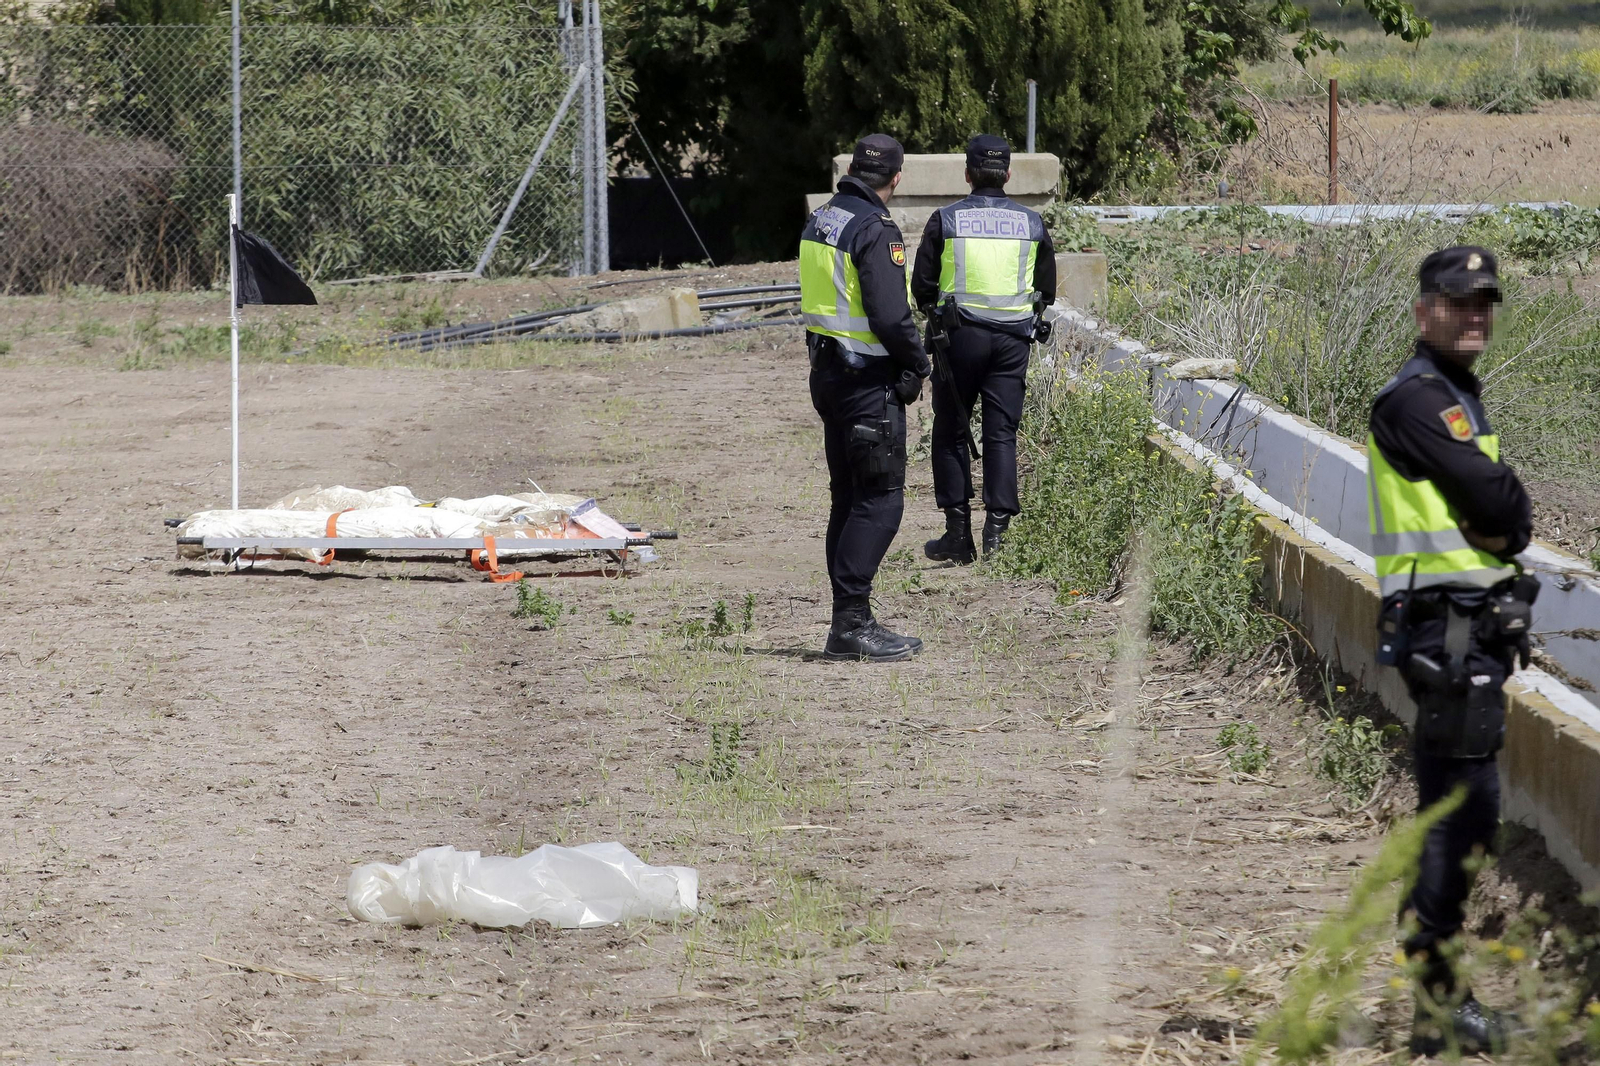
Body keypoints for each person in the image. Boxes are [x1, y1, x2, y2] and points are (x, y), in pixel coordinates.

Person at [1366, 246, 1538, 1056]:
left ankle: (1439, 991)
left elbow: (1496, 506)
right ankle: (1438, 1002)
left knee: (1465, 812)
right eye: (1459, 301)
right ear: (1423, 309)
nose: (1475, 315)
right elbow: (1498, 497)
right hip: (1447, 629)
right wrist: (1505, 519)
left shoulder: (1453, 392)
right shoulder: (1416, 400)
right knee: (1458, 815)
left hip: (1467, 626)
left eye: (1485, 303)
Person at [799, 134, 932, 662]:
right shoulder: (876, 229)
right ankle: (850, 625)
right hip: (867, 381)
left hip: (829, 373)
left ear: (854, 168)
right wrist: (918, 363)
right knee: (880, 501)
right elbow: (890, 316)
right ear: (896, 178)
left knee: (849, 498)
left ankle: (848, 620)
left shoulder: (823, 218)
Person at [911, 134, 1056, 562]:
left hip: (959, 341)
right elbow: (1046, 288)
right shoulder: (1031, 223)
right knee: (1001, 435)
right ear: (1008, 174)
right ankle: (997, 538)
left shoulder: (946, 219)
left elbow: (922, 287)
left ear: (968, 174)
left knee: (952, 431)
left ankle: (958, 535)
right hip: (1013, 342)